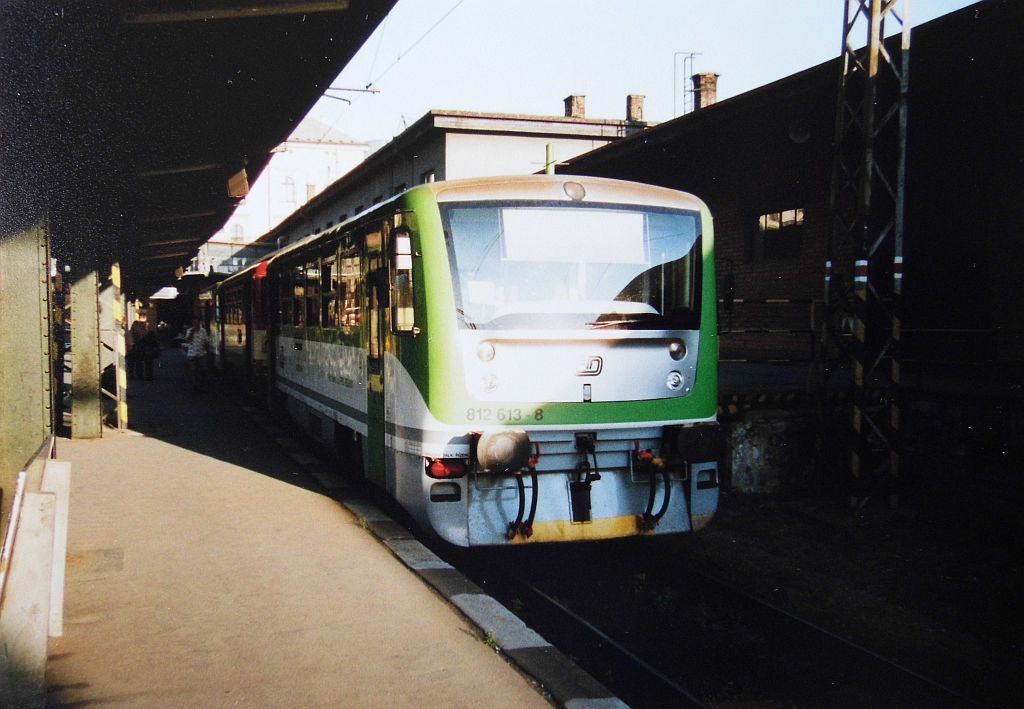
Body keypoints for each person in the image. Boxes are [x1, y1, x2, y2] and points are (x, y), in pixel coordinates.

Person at [184, 317, 211, 393]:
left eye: (197, 323)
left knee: (203, 370)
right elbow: (187, 340)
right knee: (193, 371)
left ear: (199, 323)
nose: (195, 325)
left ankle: (201, 384)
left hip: (202, 353)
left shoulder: (203, 331)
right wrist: (192, 333)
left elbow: (206, 341)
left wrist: (207, 350)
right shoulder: (189, 331)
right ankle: (195, 386)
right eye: (194, 323)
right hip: (192, 354)